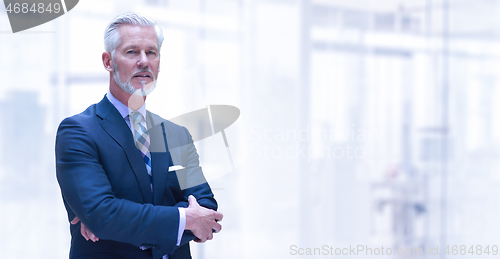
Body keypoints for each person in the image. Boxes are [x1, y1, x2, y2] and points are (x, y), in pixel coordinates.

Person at [55, 12, 223, 259]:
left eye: (151, 52)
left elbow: (206, 208)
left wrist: (116, 222)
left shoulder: (177, 135)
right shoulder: (79, 131)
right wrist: (184, 218)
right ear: (108, 61)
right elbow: (103, 213)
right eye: (132, 52)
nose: (144, 61)